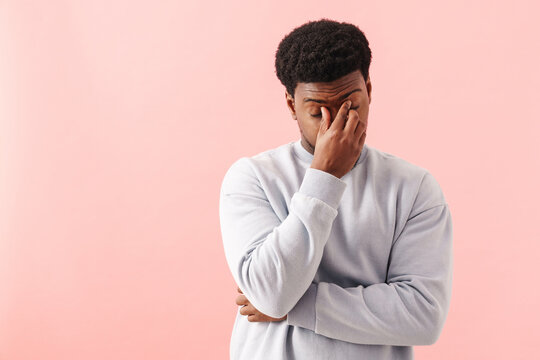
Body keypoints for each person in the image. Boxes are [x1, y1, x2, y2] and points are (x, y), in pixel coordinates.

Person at [219, 18, 453, 360]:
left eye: (351, 106)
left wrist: (296, 308)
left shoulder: (414, 187)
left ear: (369, 90)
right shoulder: (252, 178)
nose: (335, 126)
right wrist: (324, 176)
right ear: (291, 105)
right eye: (317, 112)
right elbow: (271, 293)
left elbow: (423, 315)